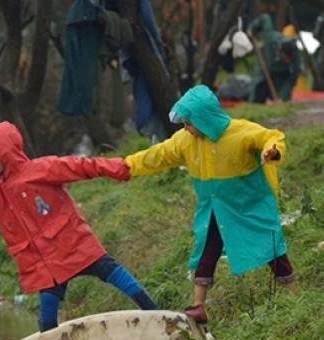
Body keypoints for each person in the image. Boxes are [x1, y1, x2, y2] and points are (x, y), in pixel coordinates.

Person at [0, 121, 158, 333]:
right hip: (48, 266)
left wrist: (121, 167)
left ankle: (157, 315)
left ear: (4, 150)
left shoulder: (42, 169)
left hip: (74, 244)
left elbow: (82, 166)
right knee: (47, 320)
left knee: (114, 273)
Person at [124, 85, 295, 324]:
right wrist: (127, 166)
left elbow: (270, 137)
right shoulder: (185, 140)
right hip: (216, 208)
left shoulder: (241, 132)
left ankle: (293, 297)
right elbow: (159, 154)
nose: (186, 128)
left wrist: (272, 152)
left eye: (189, 122)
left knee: (271, 249)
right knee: (206, 251)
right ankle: (198, 306)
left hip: (250, 203)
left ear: (204, 118)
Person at [248, 13, 301, 103]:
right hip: (264, 69)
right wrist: (252, 28)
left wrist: (282, 97)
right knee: (257, 94)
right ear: (280, 51)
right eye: (285, 57)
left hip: (281, 76)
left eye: (289, 59)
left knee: (283, 99)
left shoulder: (295, 53)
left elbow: (293, 77)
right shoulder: (270, 38)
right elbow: (265, 17)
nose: (287, 60)